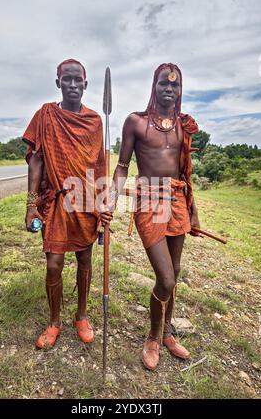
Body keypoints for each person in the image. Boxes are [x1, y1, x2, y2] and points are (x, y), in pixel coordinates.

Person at [100, 63, 200, 370]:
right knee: (165, 278)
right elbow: (121, 167)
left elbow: (185, 171)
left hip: (178, 199)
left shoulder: (184, 126)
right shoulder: (136, 123)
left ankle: (168, 333)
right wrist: (111, 199)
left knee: (176, 272)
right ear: (153, 87)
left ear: (179, 90)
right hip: (150, 200)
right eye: (163, 84)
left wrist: (194, 213)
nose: (169, 89)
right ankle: (154, 338)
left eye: (175, 85)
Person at [23, 59, 105, 349]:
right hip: (56, 200)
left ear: (86, 83)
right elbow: (36, 160)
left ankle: (81, 315)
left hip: (85, 200)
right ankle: (55, 320)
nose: (72, 84)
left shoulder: (95, 121)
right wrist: (31, 204)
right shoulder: (45, 115)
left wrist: (104, 205)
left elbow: (100, 164)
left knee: (85, 259)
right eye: (66, 79)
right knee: (54, 263)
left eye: (77, 80)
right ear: (58, 82)